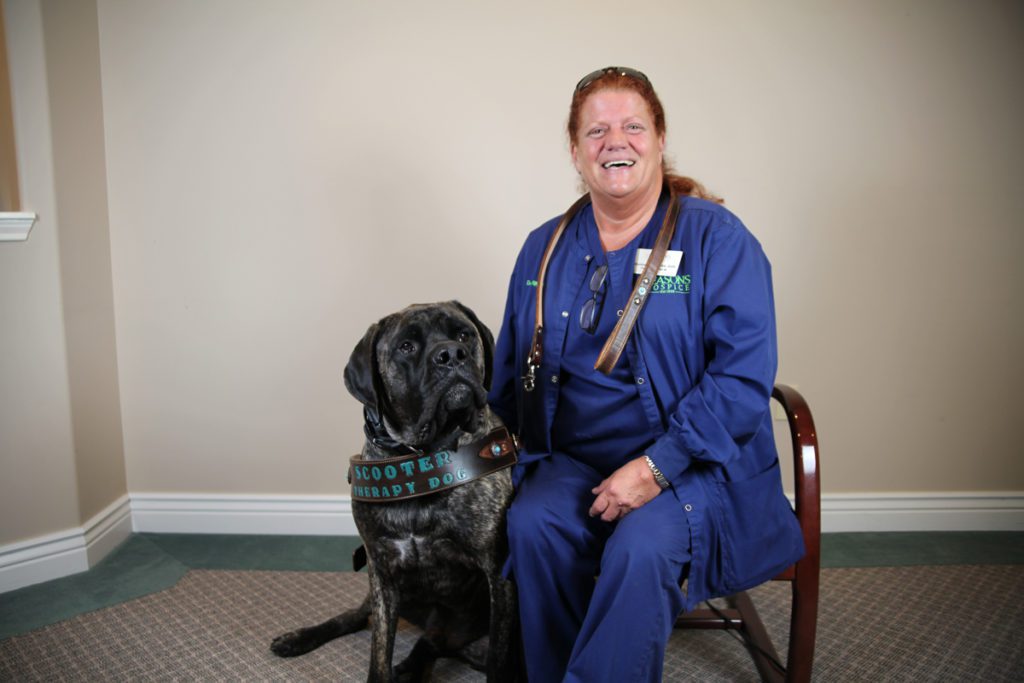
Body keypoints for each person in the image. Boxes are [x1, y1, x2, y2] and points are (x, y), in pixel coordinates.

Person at [487, 67, 805, 682]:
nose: (616, 141)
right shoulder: (543, 247)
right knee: (533, 523)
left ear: (659, 139)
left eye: (633, 126)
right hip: (572, 459)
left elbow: (742, 379)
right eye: (597, 130)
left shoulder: (719, 240)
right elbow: (507, 376)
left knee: (641, 546)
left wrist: (657, 466)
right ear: (576, 151)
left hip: (693, 465)